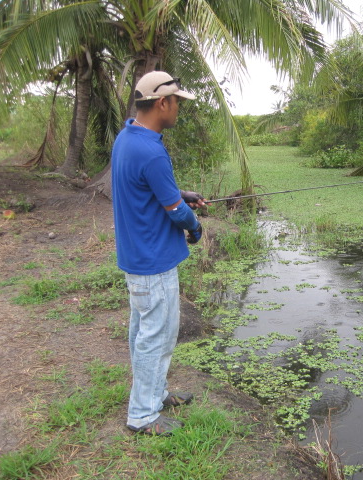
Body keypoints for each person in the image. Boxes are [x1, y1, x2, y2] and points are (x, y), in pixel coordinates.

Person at [111, 71, 206, 436]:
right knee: (158, 335)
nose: (179, 107)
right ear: (163, 103)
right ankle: (143, 415)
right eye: (177, 101)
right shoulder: (151, 150)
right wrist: (194, 225)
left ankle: (156, 393)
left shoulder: (128, 137)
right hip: (153, 262)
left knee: (144, 332)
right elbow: (176, 214)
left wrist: (183, 194)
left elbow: (151, 189)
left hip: (138, 258)